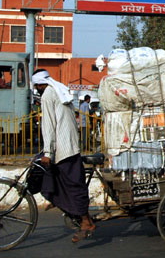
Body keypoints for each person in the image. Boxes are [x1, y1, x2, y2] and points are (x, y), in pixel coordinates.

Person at [32, 69, 95, 243]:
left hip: (63, 148)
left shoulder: (47, 95)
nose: (37, 89)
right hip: (69, 145)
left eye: (37, 86)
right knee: (59, 179)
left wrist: (47, 153)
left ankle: (85, 221)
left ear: (39, 84)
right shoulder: (59, 91)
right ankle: (68, 207)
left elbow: (49, 126)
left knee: (73, 186)